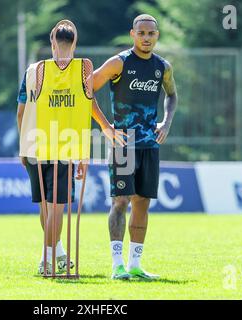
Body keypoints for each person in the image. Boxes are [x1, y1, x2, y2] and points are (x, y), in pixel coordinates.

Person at [16, 20, 126, 275]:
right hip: (64, 147)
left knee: (46, 207)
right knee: (56, 208)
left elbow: (21, 112)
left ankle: (55, 254)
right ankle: (50, 256)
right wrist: (106, 127)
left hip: (34, 146)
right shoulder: (82, 70)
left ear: (52, 42)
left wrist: (23, 146)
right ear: (74, 44)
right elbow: (89, 104)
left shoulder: (32, 71)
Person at [93, 14, 178, 280]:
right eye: (141, 33)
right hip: (123, 145)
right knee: (120, 202)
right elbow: (87, 89)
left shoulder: (162, 67)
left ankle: (135, 265)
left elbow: (172, 95)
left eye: (151, 33)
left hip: (149, 146)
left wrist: (166, 122)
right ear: (133, 34)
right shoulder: (119, 63)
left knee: (142, 203)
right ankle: (117, 264)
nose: (146, 38)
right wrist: (106, 127)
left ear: (157, 35)